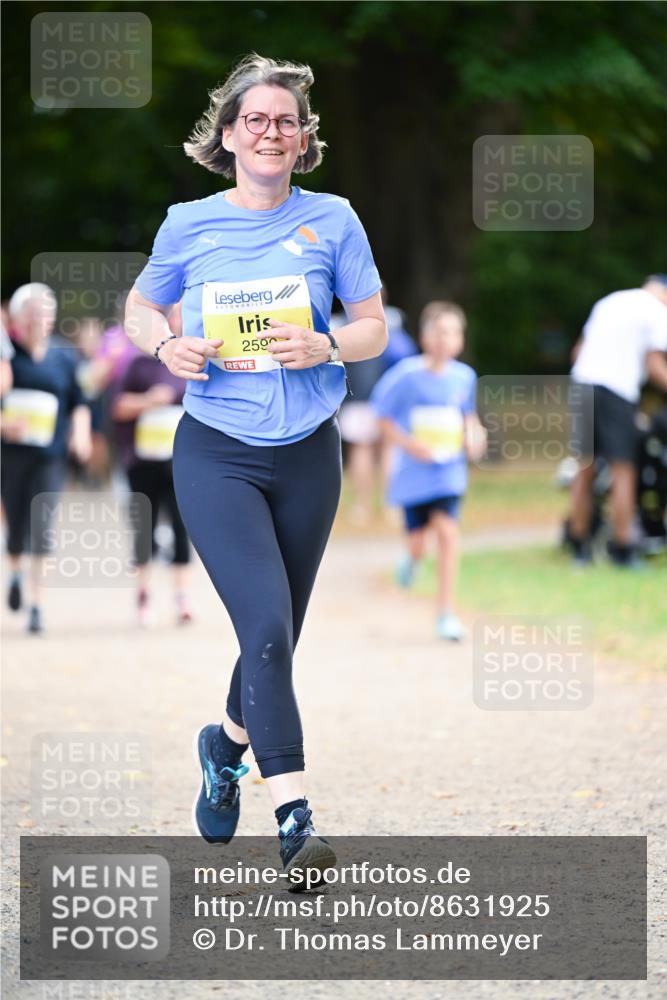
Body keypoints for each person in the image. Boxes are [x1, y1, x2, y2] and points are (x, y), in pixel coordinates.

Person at [124, 54, 387, 886]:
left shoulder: (335, 219)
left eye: (285, 120)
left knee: (278, 634)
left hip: (308, 449)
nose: (270, 131)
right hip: (217, 451)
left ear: (302, 138)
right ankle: (294, 820)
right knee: (266, 631)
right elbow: (137, 308)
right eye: (255, 120)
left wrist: (326, 342)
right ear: (229, 135)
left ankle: (224, 745)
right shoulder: (186, 223)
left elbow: (374, 325)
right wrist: (167, 343)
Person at [370, 301, 486, 641]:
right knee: (419, 542)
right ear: (424, 337)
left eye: (450, 332)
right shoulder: (406, 376)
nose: (443, 339)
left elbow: (469, 417)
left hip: (449, 472)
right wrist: (408, 445)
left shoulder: (464, 377)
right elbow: (382, 418)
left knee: (448, 532)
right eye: (437, 331)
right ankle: (412, 558)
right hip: (414, 476)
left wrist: (475, 436)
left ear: (460, 340)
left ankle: (446, 612)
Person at [1, 283, 92, 633]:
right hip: (10, 454)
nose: (41, 320)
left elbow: (79, 401)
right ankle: (14, 574)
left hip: (50, 455)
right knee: (16, 528)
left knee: (43, 526)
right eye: (34, 314)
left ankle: (37, 605)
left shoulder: (65, 356)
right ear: (19, 318)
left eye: (46, 314)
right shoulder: (7, 358)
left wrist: (81, 433)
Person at [568, 274, 667, 566]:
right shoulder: (656, 310)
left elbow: (578, 352)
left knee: (584, 469)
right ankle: (624, 549)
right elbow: (654, 365)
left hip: (583, 386)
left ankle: (580, 548)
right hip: (617, 391)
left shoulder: (608, 302)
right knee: (623, 470)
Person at [111, 346, 193, 627]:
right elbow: (118, 407)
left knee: (182, 528)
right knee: (144, 529)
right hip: (142, 462)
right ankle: (143, 596)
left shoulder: (191, 361)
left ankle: (182, 599)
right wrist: (149, 401)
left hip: (178, 463)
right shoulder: (137, 364)